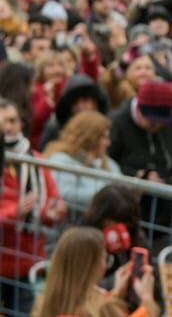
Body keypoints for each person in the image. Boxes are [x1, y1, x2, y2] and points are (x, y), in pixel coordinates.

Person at [0, 96, 66, 314]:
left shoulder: (35, 159)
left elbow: (52, 199)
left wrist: (53, 211)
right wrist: (15, 212)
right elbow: (15, 210)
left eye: (12, 121)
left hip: (27, 261)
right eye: (2, 123)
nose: (7, 128)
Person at [32, 225, 159, 317]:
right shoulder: (104, 309)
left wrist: (115, 294)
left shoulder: (43, 302)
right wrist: (147, 300)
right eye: (105, 258)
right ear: (92, 266)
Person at [43, 110, 123, 208]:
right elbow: (64, 195)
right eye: (104, 137)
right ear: (89, 137)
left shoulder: (110, 164)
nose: (108, 143)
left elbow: (122, 194)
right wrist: (108, 196)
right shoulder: (61, 160)